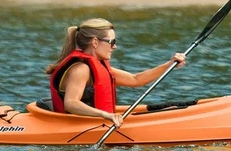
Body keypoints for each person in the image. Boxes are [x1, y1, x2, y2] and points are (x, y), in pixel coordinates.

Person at [44, 18, 186, 127]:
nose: (115, 47)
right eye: (112, 42)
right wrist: (105, 115)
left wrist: (169, 64)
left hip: (97, 123)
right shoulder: (80, 69)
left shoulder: (98, 66)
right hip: (75, 126)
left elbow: (136, 79)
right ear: (95, 42)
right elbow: (71, 103)